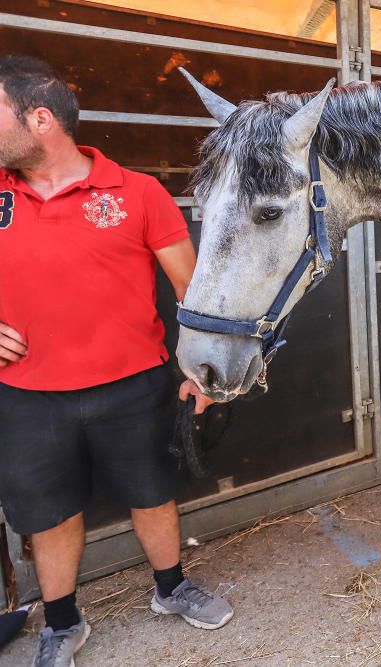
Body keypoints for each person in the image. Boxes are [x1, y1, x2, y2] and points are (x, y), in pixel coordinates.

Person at [0, 55, 233, 666]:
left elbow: (193, 292)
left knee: (153, 493)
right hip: (25, 393)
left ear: (40, 118)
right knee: (49, 515)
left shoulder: (139, 192)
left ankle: (171, 588)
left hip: (134, 386)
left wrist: (199, 372)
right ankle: (61, 622)